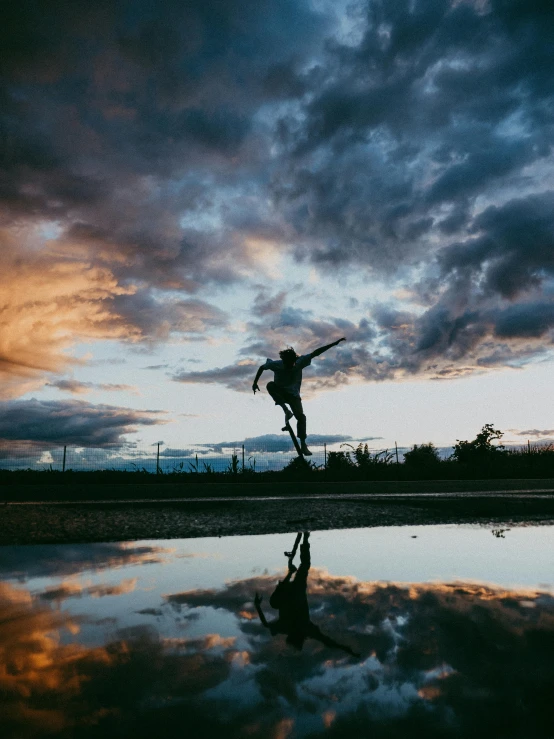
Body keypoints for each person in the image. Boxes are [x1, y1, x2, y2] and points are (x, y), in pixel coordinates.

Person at [254, 532, 358, 656]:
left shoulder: (294, 629)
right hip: (295, 590)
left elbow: (266, 625)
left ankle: (293, 566)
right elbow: (328, 642)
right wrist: (346, 649)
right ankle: (304, 542)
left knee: (276, 601)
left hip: (289, 591)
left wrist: (258, 605)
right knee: (304, 566)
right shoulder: (304, 630)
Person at [252, 338, 346, 455]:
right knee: (270, 385)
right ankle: (286, 411)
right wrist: (255, 383)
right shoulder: (276, 364)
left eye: (291, 364)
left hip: (293, 396)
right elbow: (262, 367)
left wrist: (334, 343)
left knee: (301, 417)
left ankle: (303, 445)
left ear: (294, 361)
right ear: (283, 361)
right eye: (287, 364)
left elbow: (316, 353)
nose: (289, 367)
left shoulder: (300, 361)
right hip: (280, 392)